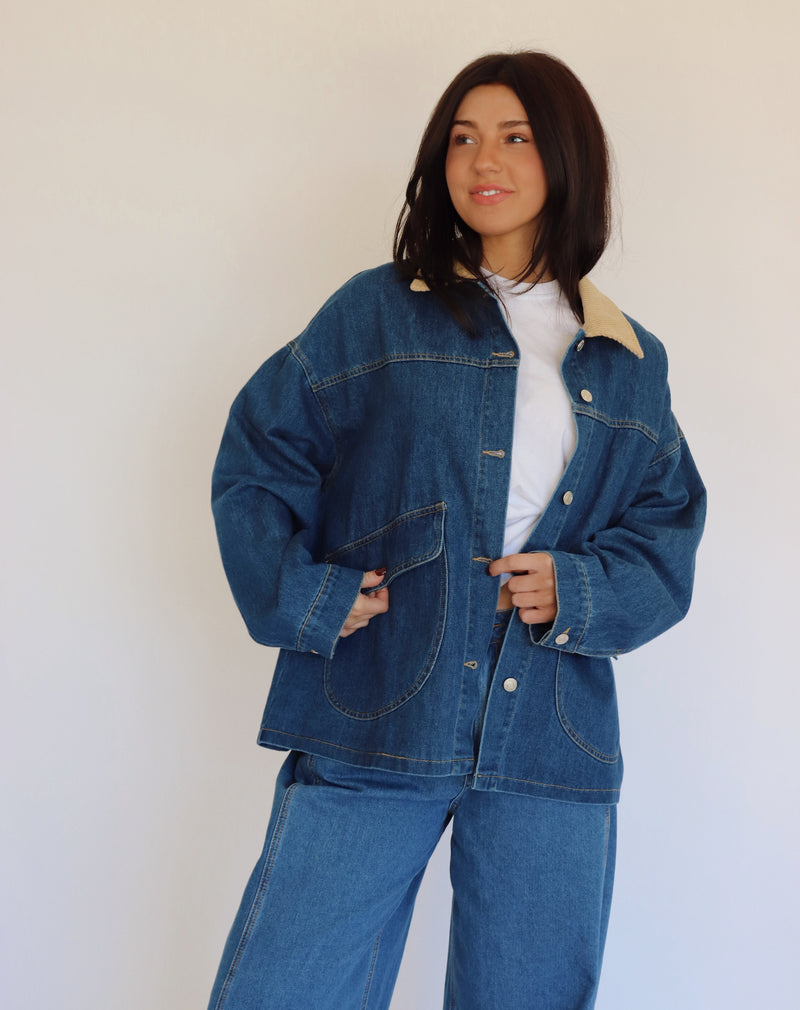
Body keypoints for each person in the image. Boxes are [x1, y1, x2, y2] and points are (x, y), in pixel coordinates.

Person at [206, 51, 706, 1010]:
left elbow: (669, 524)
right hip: (378, 707)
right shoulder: (376, 314)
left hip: (551, 735)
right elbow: (260, 456)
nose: (484, 159)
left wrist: (583, 589)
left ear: (565, 159)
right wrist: (310, 596)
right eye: (463, 138)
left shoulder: (630, 360)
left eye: (515, 137)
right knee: (287, 988)